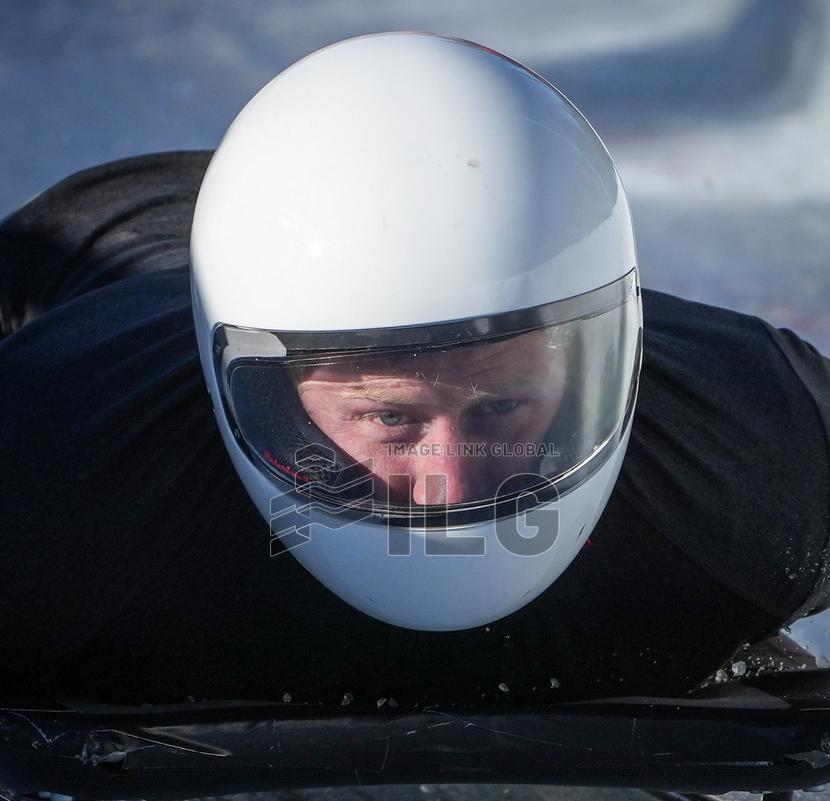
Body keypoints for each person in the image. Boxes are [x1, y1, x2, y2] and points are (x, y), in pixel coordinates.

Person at [0, 34, 828, 710]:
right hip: (124, 240)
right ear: (265, 393)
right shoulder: (51, 480)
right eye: (391, 416)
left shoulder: (772, 449)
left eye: (503, 406)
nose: (448, 483)